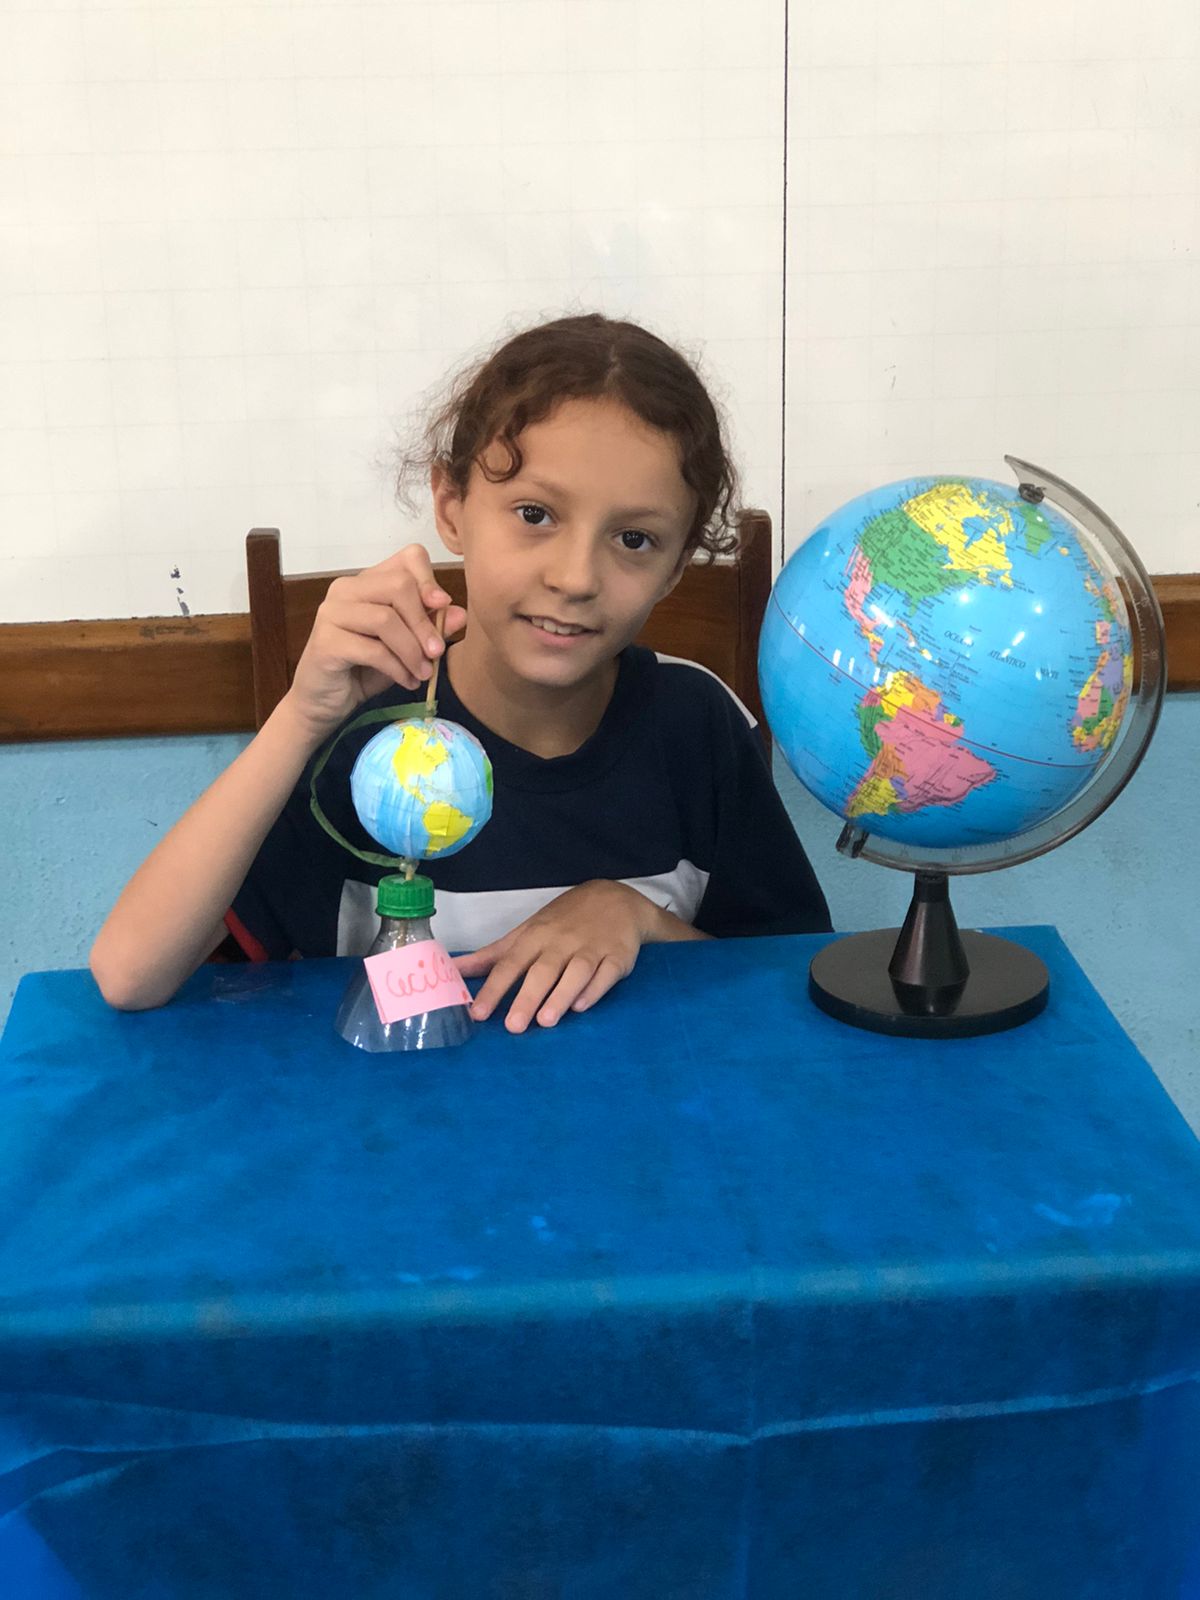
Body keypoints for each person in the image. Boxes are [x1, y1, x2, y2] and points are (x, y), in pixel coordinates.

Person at [90, 313, 830, 1031]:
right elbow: (130, 975)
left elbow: (786, 985)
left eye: (634, 539)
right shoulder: (358, 734)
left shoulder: (696, 723)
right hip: (397, 1109)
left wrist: (638, 917)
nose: (575, 578)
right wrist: (302, 718)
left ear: (675, 567)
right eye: (534, 515)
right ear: (451, 506)